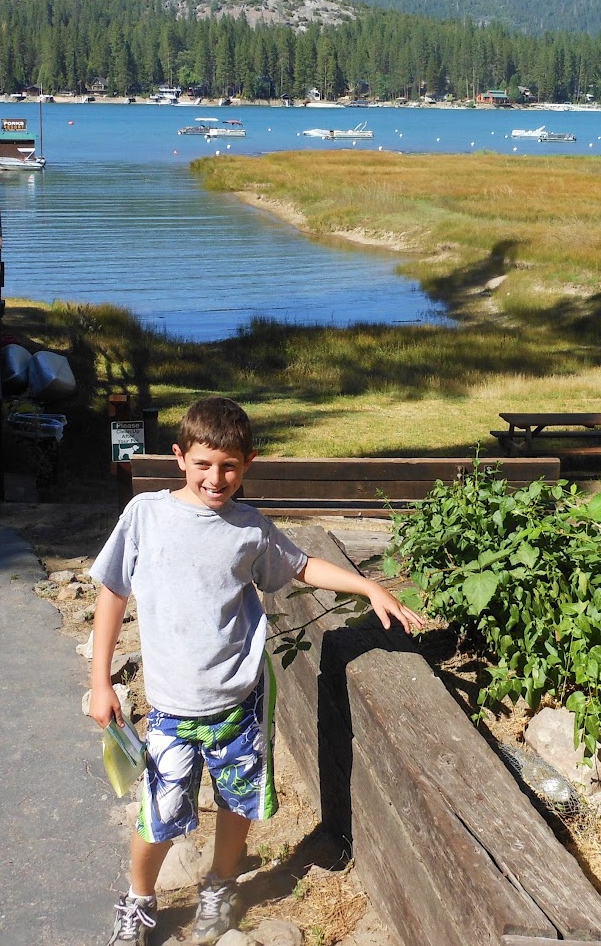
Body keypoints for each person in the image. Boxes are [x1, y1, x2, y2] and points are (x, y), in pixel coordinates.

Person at [87, 396, 423, 945]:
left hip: (239, 704)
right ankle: (140, 900)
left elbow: (303, 565)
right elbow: (112, 593)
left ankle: (221, 883)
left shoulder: (250, 529)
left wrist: (368, 585)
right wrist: (101, 681)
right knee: (159, 813)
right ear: (179, 457)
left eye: (228, 466)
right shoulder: (145, 516)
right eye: (202, 464)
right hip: (172, 707)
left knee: (237, 800)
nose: (215, 477)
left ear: (249, 463)